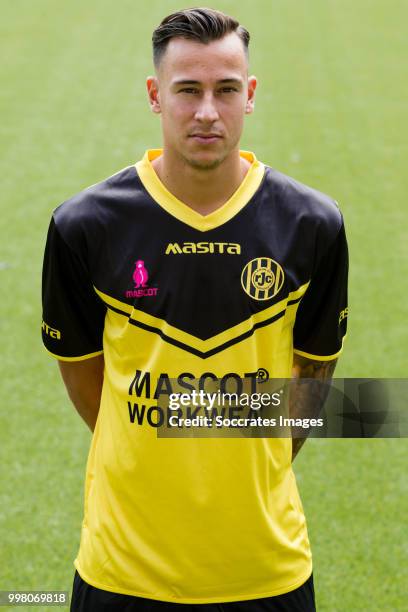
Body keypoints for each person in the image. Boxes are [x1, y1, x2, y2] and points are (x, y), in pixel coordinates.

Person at [41, 7, 348, 611]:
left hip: (266, 569)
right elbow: (88, 384)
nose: (207, 111)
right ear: (157, 95)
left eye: (226, 90)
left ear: (250, 95)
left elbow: (312, 381)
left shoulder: (312, 224)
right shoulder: (85, 225)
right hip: (121, 569)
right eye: (188, 90)